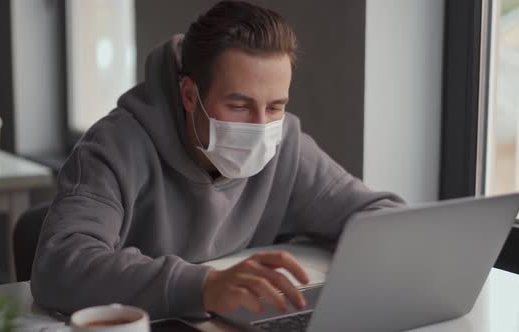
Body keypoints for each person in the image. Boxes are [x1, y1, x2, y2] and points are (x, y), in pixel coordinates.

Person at [31, 0, 404, 320]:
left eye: (276, 106)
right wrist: (202, 286)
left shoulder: (286, 143)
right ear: (190, 95)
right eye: (239, 106)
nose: (261, 127)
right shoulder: (114, 147)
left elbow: (379, 214)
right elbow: (60, 264)